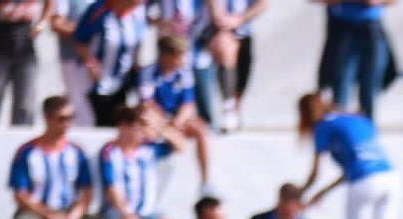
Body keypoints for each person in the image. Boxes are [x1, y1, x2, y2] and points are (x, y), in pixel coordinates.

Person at [8, 96, 120, 219]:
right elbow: (21, 195)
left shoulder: (77, 152)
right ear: (47, 118)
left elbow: (86, 192)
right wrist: (51, 217)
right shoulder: (27, 152)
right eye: (62, 119)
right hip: (38, 213)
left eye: (71, 118)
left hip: (69, 212)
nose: (67, 124)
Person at [297, 91, 399, 219]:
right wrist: (321, 193)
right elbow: (356, 167)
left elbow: (316, 172)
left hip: (364, 182)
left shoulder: (323, 126)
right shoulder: (357, 119)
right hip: (390, 177)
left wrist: (301, 193)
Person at [99, 106, 184, 219]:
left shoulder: (149, 149)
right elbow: (112, 189)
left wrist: (160, 126)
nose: (142, 131)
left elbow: (180, 145)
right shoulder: (110, 152)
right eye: (137, 126)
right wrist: (127, 216)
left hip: (148, 212)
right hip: (119, 213)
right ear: (123, 126)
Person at [137, 34, 213, 192]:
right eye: (177, 57)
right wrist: (164, 121)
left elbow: (188, 104)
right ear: (165, 56)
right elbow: (147, 103)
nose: (181, 61)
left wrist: (177, 121)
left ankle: (205, 182)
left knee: (201, 129)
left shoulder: (184, 74)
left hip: (175, 121)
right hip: (156, 118)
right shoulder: (149, 73)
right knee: (148, 125)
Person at [0, 0, 51, 127]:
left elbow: (50, 3)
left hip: (25, 53)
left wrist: (41, 24)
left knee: (25, 107)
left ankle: (20, 144)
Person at [317, 0, 398, 122]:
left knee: (370, 86)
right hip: (342, 28)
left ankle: (367, 130)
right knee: (341, 83)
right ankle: (339, 128)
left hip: (372, 29)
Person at [75, 0, 150, 127]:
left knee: (120, 121)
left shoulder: (138, 14)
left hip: (123, 80)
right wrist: (91, 64)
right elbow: (80, 39)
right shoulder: (100, 10)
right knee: (99, 121)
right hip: (98, 80)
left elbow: (138, 44)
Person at [201, 0, 267, 132]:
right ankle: (228, 107)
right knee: (226, 54)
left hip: (243, 29)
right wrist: (221, 20)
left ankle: (235, 107)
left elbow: (262, 4)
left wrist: (240, 19)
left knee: (243, 72)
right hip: (216, 28)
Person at [51, 0, 96, 126]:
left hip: (99, 62)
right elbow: (57, 24)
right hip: (74, 60)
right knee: (80, 105)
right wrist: (87, 31)